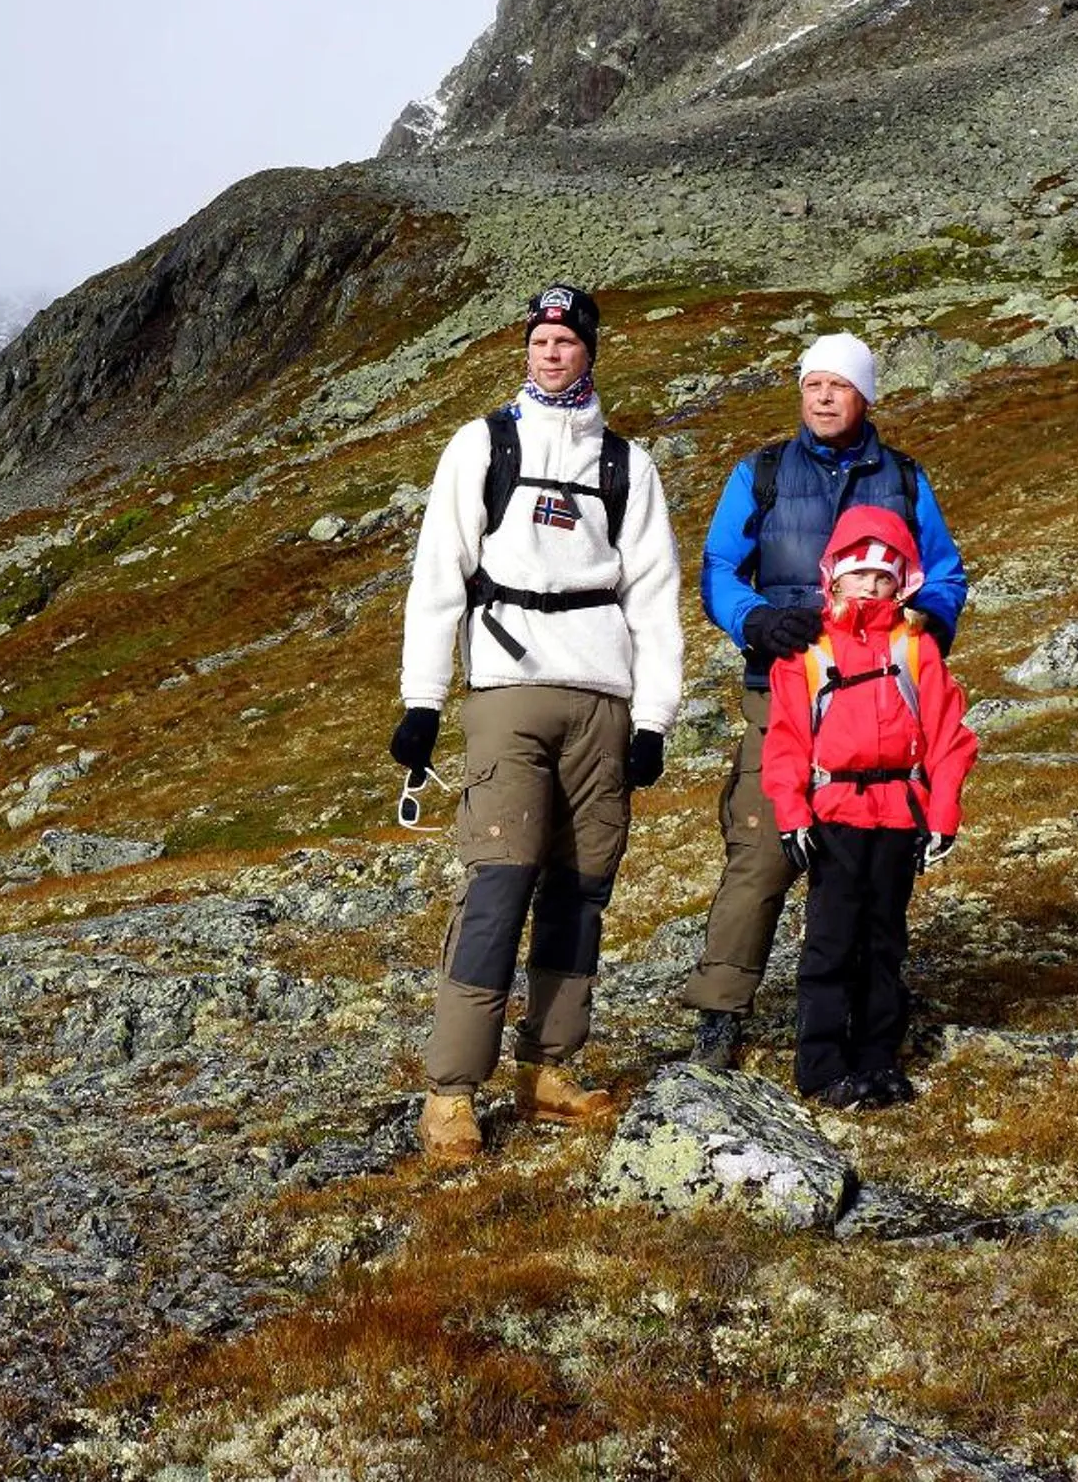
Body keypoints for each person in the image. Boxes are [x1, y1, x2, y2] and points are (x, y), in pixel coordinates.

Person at [391, 282, 684, 1164]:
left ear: (592, 350)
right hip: (508, 690)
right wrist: (421, 701)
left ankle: (550, 1068)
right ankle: (451, 1093)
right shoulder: (481, 444)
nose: (552, 351)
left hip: (603, 696)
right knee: (498, 883)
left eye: (567, 339)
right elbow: (437, 576)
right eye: (541, 339)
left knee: (582, 886)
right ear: (526, 348)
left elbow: (656, 598)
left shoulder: (627, 465)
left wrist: (655, 717)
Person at [679, 331, 968, 1070]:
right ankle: (721, 1011)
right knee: (764, 849)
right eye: (813, 385)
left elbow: (943, 574)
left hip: (879, 703)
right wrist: (757, 620)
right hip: (782, 690)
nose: (825, 397)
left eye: (840, 385)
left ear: (865, 394)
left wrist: (923, 625)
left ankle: (863, 1021)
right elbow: (717, 567)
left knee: (869, 868)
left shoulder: (904, 479)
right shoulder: (762, 473)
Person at [761, 505, 976, 1105]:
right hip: (833, 817)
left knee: (885, 940)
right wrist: (792, 813)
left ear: (902, 581)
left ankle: (879, 1057)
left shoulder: (917, 650)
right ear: (835, 576)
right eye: (859, 573)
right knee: (830, 940)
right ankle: (823, 1067)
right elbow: (785, 742)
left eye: (885, 575)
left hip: (899, 813)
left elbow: (949, 736)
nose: (871, 585)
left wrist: (943, 815)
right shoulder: (805, 653)